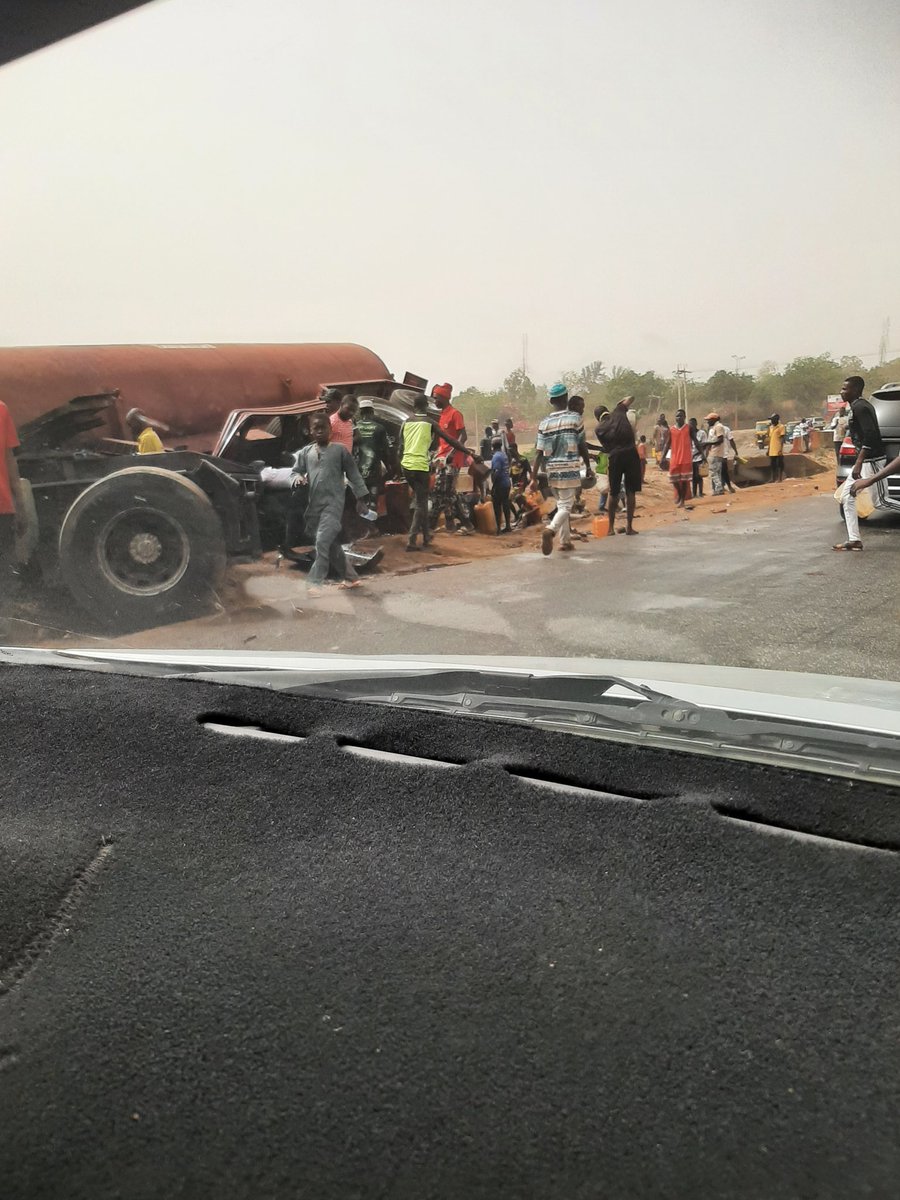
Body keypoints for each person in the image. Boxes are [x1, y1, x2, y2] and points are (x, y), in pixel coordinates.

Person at [291, 413, 373, 595]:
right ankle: (351, 578)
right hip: (314, 507)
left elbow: (354, 475)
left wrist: (361, 499)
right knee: (330, 544)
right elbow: (295, 471)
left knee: (322, 541)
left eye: (323, 428)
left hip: (334, 505)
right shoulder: (306, 453)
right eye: (316, 428)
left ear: (330, 429)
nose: (320, 431)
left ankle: (314, 582)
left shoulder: (340, 451)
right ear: (310, 431)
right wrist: (297, 478)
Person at [529, 383, 594, 555]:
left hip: (551, 469)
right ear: (566, 398)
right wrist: (588, 466)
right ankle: (550, 530)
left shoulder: (544, 423)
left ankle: (565, 542)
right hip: (569, 467)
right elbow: (582, 446)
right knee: (567, 505)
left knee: (561, 504)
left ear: (551, 401)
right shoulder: (575, 419)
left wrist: (533, 478)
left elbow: (539, 453)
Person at [835, 375, 888, 551]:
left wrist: (858, 462)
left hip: (871, 460)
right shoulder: (857, 407)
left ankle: (854, 539)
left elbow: (871, 436)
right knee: (847, 497)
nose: (842, 392)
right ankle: (854, 540)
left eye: (845, 389)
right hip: (864, 461)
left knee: (881, 502)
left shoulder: (860, 407)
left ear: (856, 390)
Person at [597, 395, 641, 536]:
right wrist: (621, 402)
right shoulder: (619, 411)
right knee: (630, 491)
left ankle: (610, 528)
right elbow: (631, 397)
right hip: (631, 454)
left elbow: (606, 448)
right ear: (608, 411)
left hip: (615, 456)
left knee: (613, 492)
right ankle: (629, 527)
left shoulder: (599, 429)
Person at [400, 393, 436, 552]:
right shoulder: (430, 422)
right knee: (421, 503)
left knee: (420, 498)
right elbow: (450, 440)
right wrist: (470, 453)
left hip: (406, 467)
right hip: (421, 467)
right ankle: (412, 540)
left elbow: (399, 448)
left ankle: (427, 536)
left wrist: (399, 467)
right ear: (426, 406)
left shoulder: (405, 422)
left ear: (413, 407)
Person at [0, 399, 25, 612]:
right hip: (3, 507)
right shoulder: (1, 409)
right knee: (4, 569)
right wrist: (21, 505)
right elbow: (11, 462)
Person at [353, 398, 394, 496]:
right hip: (374, 472)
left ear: (360, 412)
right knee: (372, 501)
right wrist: (390, 468)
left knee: (356, 501)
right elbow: (387, 452)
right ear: (372, 412)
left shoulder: (354, 428)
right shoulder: (380, 428)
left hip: (355, 472)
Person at [660, 409, 697, 508]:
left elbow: (696, 441)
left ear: (684, 417)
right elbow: (667, 444)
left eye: (680, 416)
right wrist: (662, 457)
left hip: (686, 458)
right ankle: (680, 495)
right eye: (677, 416)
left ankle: (682, 500)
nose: (678, 418)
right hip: (675, 458)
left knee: (685, 480)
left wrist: (703, 454)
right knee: (674, 479)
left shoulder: (689, 428)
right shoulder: (671, 429)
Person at [489, 437, 513, 535]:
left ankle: (498, 528)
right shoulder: (503, 455)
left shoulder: (496, 457)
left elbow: (496, 471)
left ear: (492, 446)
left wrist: (493, 485)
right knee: (506, 504)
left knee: (497, 506)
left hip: (500, 484)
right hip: (506, 482)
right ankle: (508, 526)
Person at [705, 412, 728, 495]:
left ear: (713, 420)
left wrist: (708, 443)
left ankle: (719, 488)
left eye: (709, 420)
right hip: (717, 453)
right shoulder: (715, 427)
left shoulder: (718, 427)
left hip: (716, 452)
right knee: (717, 472)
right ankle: (718, 489)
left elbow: (720, 439)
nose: (707, 422)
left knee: (713, 472)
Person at [689, 417, 707, 497]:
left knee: (699, 476)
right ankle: (694, 493)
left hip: (699, 457)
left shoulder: (702, 433)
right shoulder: (688, 435)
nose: (691, 426)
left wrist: (703, 456)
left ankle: (700, 493)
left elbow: (704, 445)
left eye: (692, 424)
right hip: (691, 458)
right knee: (693, 477)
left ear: (696, 424)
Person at [767, 413, 786, 483]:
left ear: (776, 420)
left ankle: (780, 478)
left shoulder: (781, 427)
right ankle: (773, 478)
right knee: (772, 464)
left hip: (778, 449)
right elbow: (770, 439)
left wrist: (781, 449)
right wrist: (768, 449)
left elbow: (782, 439)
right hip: (772, 449)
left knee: (780, 464)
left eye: (772, 419)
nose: (771, 421)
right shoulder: (771, 427)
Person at [720, 423, 738, 494]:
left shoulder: (725, 429)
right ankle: (723, 486)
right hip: (716, 454)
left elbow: (731, 440)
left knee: (723, 470)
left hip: (723, 453)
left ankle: (727, 486)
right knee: (720, 471)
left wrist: (736, 451)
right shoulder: (711, 429)